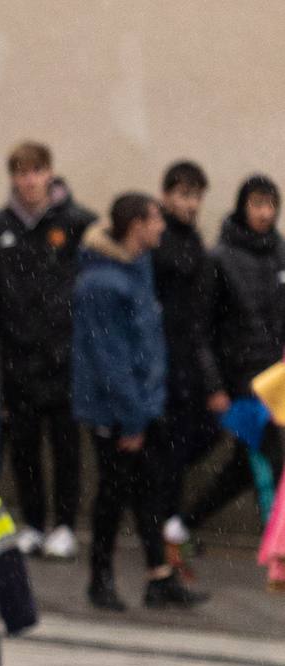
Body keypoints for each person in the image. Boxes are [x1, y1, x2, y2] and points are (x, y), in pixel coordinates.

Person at [73, 192, 209, 612]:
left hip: (144, 405)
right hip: (116, 411)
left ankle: (159, 577)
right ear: (136, 226)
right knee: (113, 496)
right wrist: (130, 420)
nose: (162, 227)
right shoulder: (102, 283)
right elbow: (111, 359)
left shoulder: (138, 265)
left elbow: (146, 340)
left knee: (151, 491)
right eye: (155, 220)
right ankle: (100, 580)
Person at [0, 140, 95, 558]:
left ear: (50, 173)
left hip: (64, 358)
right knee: (24, 447)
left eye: (36, 171)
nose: (29, 181)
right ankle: (32, 523)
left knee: (65, 446)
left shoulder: (77, 223)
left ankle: (64, 525)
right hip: (17, 358)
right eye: (21, 173)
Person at [188, 174, 285, 540]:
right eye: (257, 204)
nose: (265, 213)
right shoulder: (219, 258)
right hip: (241, 383)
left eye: (271, 204)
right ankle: (277, 546)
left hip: (277, 381)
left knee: (245, 467)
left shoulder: (280, 253)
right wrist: (214, 385)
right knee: (268, 464)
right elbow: (202, 330)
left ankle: (181, 526)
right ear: (243, 207)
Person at [152, 161, 219, 561]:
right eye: (183, 195)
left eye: (196, 196)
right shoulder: (159, 240)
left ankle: (166, 520)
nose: (191, 204)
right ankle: (164, 526)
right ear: (166, 196)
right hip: (165, 363)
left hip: (190, 363)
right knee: (170, 450)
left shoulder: (193, 240)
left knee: (198, 438)